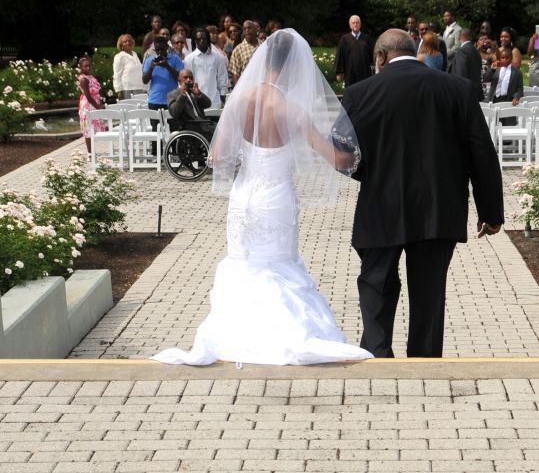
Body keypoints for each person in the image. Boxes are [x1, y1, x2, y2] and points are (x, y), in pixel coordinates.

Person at [152, 30, 373, 367]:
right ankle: (282, 335)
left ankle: (237, 335)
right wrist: (356, 142)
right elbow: (337, 160)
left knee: (245, 265)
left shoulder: (240, 100)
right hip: (276, 199)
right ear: (292, 66)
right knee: (277, 266)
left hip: (243, 198)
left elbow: (217, 156)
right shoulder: (291, 109)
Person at [340, 29, 504, 358]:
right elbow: (481, 154)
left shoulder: (359, 94)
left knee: (375, 283)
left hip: (381, 207)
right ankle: (424, 359)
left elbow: (344, 156)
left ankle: (377, 352)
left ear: (381, 57)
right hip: (438, 208)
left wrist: (371, 176)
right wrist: (490, 212)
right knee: (429, 292)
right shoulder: (457, 90)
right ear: (413, 51)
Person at [142, 35, 184, 127]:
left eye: (162, 49)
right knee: (156, 132)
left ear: (167, 47)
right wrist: (151, 68)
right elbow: (144, 80)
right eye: (157, 50)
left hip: (172, 101)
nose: (159, 52)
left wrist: (167, 66)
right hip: (154, 101)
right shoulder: (150, 61)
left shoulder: (175, 59)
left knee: (173, 130)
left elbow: (181, 78)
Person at [184, 26, 230, 107]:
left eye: (204, 38)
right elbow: (188, 81)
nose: (201, 41)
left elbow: (222, 79)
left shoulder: (217, 57)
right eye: (198, 39)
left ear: (207, 39)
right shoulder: (189, 59)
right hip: (197, 102)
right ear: (195, 41)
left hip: (215, 101)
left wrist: (223, 96)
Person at [167, 68, 216, 136]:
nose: (188, 80)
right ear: (179, 80)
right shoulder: (173, 94)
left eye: (191, 78)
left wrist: (199, 94)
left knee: (222, 126)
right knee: (218, 132)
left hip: (203, 124)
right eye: (185, 77)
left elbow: (208, 104)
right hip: (189, 127)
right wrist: (182, 94)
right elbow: (174, 112)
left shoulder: (193, 92)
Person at [333, 15, 375, 87]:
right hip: (350, 72)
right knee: (351, 92)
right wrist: (339, 72)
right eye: (353, 23)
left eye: (357, 23)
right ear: (350, 25)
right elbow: (340, 56)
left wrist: (374, 67)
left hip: (364, 72)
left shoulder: (367, 39)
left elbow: (372, 55)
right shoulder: (344, 39)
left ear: (360, 24)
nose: (355, 24)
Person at [77, 56, 105, 156]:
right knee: (88, 128)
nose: (88, 68)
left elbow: (97, 93)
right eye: (85, 67)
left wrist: (100, 103)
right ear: (81, 68)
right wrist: (98, 107)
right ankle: (90, 153)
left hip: (95, 103)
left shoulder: (91, 77)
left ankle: (93, 151)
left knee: (94, 128)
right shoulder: (83, 79)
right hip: (88, 105)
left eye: (89, 66)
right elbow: (88, 96)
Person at [448, 27, 483, 99]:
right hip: (476, 92)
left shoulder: (462, 51)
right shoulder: (476, 51)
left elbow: (461, 74)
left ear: (459, 37)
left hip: (465, 94)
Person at [112, 34, 144, 99]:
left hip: (140, 87)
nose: (128, 43)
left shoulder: (135, 54)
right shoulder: (119, 56)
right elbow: (116, 75)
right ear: (121, 45)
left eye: (129, 41)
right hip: (127, 89)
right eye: (125, 42)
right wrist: (119, 91)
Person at [229, 20, 260, 85]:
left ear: (255, 30)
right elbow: (235, 75)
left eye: (249, 28)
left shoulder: (264, 45)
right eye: (245, 29)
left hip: (263, 87)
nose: (247, 30)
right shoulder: (238, 50)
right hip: (246, 89)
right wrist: (239, 93)